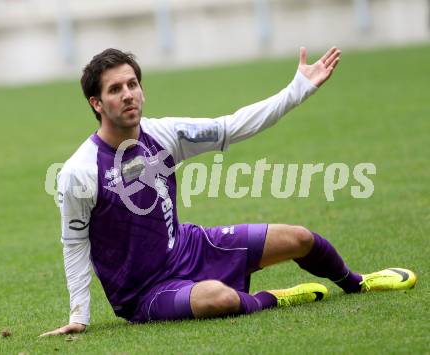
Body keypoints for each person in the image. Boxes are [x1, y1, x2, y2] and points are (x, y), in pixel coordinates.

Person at [40, 47, 416, 336]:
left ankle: (357, 283)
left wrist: (297, 91)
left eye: (132, 84)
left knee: (300, 238)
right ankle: (273, 299)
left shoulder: (165, 134)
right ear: (96, 102)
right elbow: (74, 244)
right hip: (144, 293)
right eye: (115, 89)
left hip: (190, 247)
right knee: (218, 299)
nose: (128, 95)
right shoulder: (79, 172)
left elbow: (232, 126)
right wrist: (79, 317)